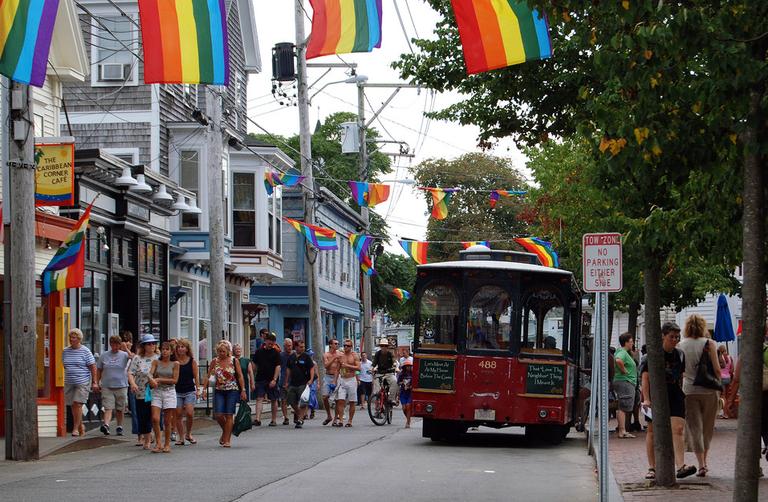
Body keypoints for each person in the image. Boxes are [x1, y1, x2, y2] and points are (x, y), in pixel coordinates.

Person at [640, 321, 697, 480]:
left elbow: (681, 375)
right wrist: (646, 399)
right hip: (656, 394)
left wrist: (681, 393)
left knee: (678, 428)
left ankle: (680, 466)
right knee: (652, 430)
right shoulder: (651, 355)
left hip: (674, 393)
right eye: (671, 337)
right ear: (663, 336)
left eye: (677, 337)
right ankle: (652, 467)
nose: (674, 340)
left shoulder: (680, 354)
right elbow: (645, 377)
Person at [678, 314, 721, 477]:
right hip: (709, 390)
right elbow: (717, 369)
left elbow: (680, 370)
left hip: (689, 390)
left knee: (695, 427)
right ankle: (705, 462)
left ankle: (701, 463)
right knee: (707, 427)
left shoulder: (681, 345)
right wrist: (720, 385)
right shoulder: (710, 343)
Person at [204, 340, 247, 447]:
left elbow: (240, 375)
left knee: (229, 415)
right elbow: (208, 376)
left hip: (232, 390)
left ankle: (227, 440)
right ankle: (226, 431)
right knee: (218, 415)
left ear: (228, 351)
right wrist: (204, 389)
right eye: (219, 351)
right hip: (219, 390)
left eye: (223, 351)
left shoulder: (234, 360)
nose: (221, 354)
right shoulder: (215, 361)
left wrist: (243, 390)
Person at [63, 328, 97, 437]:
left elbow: (93, 367)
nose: (71, 339)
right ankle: (81, 426)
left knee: (77, 403)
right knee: (73, 405)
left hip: (82, 381)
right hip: (69, 381)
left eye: (74, 338)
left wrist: (95, 382)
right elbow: (65, 365)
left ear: (79, 339)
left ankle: (75, 429)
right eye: (70, 337)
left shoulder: (85, 351)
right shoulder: (66, 351)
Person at [127, 334, 158, 449]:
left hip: (156, 391)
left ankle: (155, 436)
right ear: (144, 346)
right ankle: (147, 438)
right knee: (144, 415)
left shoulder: (158, 357)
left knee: (154, 415)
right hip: (141, 391)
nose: (152, 346)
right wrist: (133, 383)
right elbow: (130, 373)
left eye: (153, 343)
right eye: (149, 344)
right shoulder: (137, 358)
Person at [96, 335, 130, 436]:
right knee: (108, 407)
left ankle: (119, 426)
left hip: (121, 385)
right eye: (112, 344)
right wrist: (97, 382)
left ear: (120, 345)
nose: (114, 346)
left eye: (116, 344)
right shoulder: (104, 355)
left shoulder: (124, 355)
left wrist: (126, 348)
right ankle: (106, 425)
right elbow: (99, 370)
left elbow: (133, 357)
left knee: (120, 408)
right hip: (107, 386)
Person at [149, 342, 179, 453]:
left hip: (169, 392)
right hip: (157, 391)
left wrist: (159, 379)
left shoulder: (175, 364)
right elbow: (150, 374)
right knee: (155, 418)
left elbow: (175, 380)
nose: (165, 351)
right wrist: (151, 380)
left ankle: (167, 443)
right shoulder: (156, 362)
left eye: (167, 349)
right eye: (163, 349)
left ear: (171, 351)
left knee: (167, 420)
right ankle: (158, 443)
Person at [252, 332, 281, 426]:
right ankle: (257, 419)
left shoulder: (276, 353)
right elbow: (254, 365)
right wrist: (252, 377)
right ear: (265, 341)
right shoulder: (259, 351)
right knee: (259, 398)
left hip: (272, 379)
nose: (271, 345)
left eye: (273, 343)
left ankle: (273, 420)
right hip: (260, 378)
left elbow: (278, 366)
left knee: (273, 399)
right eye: (269, 343)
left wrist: (274, 379)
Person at [174, 338, 199, 446]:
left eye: (182, 347)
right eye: (179, 347)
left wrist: (198, 389)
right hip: (176, 390)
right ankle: (181, 437)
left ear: (187, 349)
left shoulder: (192, 360)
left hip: (189, 389)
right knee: (178, 414)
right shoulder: (174, 361)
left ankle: (188, 433)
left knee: (189, 413)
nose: (180, 349)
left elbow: (196, 376)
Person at [613, 332, 639, 438]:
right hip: (625, 381)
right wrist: (624, 370)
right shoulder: (622, 352)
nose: (632, 343)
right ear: (626, 343)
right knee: (623, 407)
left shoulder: (625, 352)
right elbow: (618, 360)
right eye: (631, 342)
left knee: (623, 406)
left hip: (626, 381)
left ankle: (622, 430)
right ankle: (622, 431)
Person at [285, 340, 315, 428]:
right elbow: (288, 369)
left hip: (303, 383)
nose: (303, 348)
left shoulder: (306, 357)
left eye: (303, 347)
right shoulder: (291, 357)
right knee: (291, 400)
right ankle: (299, 413)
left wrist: (311, 379)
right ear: (296, 347)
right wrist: (286, 381)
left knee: (303, 402)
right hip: (293, 383)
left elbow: (312, 368)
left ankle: (300, 420)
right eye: (301, 347)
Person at [335, 339, 361, 427]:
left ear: (351, 347)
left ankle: (350, 421)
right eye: (345, 345)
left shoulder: (355, 355)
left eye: (348, 346)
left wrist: (347, 366)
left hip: (351, 380)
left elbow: (358, 368)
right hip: (342, 379)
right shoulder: (341, 356)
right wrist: (334, 381)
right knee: (340, 400)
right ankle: (341, 420)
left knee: (352, 401)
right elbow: (337, 369)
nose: (346, 347)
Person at [322, 339, 342, 425]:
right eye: (335, 343)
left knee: (337, 399)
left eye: (338, 343)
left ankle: (335, 419)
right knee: (324, 397)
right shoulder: (326, 355)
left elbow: (339, 368)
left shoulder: (340, 354)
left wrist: (335, 380)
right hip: (327, 376)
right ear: (330, 345)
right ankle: (329, 415)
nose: (337, 345)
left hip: (337, 376)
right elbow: (326, 366)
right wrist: (334, 358)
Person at [372, 338, 398, 406]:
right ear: (380, 346)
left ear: (387, 347)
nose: (384, 347)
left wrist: (395, 367)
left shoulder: (390, 354)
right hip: (379, 373)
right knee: (377, 391)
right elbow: (374, 363)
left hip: (389, 373)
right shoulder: (377, 354)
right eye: (382, 346)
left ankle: (391, 399)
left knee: (394, 381)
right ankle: (378, 407)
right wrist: (372, 369)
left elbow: (394, 361)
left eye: (385, 346)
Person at [278, 338, 294, 425]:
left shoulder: (295, 355)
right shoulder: (281, 355)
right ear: (284, 347)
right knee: (283, 400)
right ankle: (286, 417)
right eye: (287, 346)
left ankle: (296, 415)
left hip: (294, 380)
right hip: (283, 380)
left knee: (294, 400)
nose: (289, 347)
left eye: (290, 345)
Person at [717, 344, 734, 418]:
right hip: (728, 378)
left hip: (722, 378)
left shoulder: (720, 358)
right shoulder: (730, 357)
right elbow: (732, 370)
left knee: (723, 396)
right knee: (727, 396)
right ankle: (728, 413)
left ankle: (725, 414)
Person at [398, 358, 414, 428]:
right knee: (404, 408)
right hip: (403, 393)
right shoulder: (402, 374)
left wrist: (410, 386)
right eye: (407, 366)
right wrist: (403, 383)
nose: (408, 367)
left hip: (410, 393)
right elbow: (398, 382)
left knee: (408, 406)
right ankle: (408, 418)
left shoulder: (413, 374)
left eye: (409, 366)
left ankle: (408, 422)